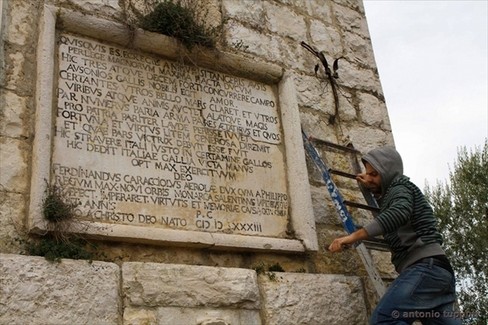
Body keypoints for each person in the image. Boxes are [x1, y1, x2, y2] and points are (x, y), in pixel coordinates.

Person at [328, 146, 460, 325]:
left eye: (375, 174)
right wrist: (373, 187)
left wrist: (351, 237)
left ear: (388, 171)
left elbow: (397, 213)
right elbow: (393, 207)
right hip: (440, 273)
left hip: (425, 269)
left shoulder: (401, 188)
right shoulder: (398, 192)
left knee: (385, 320)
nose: (370, 178)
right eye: (369, 174)